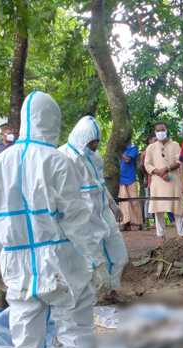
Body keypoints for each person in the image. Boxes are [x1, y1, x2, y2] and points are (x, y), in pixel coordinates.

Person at [0, 92, 109, 348]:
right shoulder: (57, 161)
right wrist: (96, 260)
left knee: (25, 342)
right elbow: (77, 218)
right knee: (77, 335)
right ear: (52, 121)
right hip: (61, 262)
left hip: (18, 265)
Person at [57, 115, 129, 301]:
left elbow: (99, 185)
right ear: (82, 139)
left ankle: (110, 291)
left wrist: (112, 204)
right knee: (91, 264)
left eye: (97, 142)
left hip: (104, 215)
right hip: (84, 221)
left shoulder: (94, 156)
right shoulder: (63, 159)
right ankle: (91, 300)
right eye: (92, 143)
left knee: (119, 256)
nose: (95, 146)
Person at [144, 121, 183, 244]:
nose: (160, 132)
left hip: (173, 181)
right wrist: (159, 172)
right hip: (158, 182)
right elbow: (147, 164)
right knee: (158, 210)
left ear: (166, 130)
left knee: (178, 208)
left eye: (162, 130)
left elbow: (179, 161)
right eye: (157, 131)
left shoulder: (175, 145)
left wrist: (166, 169)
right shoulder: (151, 147)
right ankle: (161, 236)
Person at [118, 141, 147, 231]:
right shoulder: (116, 148)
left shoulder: (133, 148)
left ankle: (138, 223)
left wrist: (120, 151)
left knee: (134, 201)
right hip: (120, 179)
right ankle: (124, 223)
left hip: (131, 178)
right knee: (123, 200)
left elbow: (127, 159)